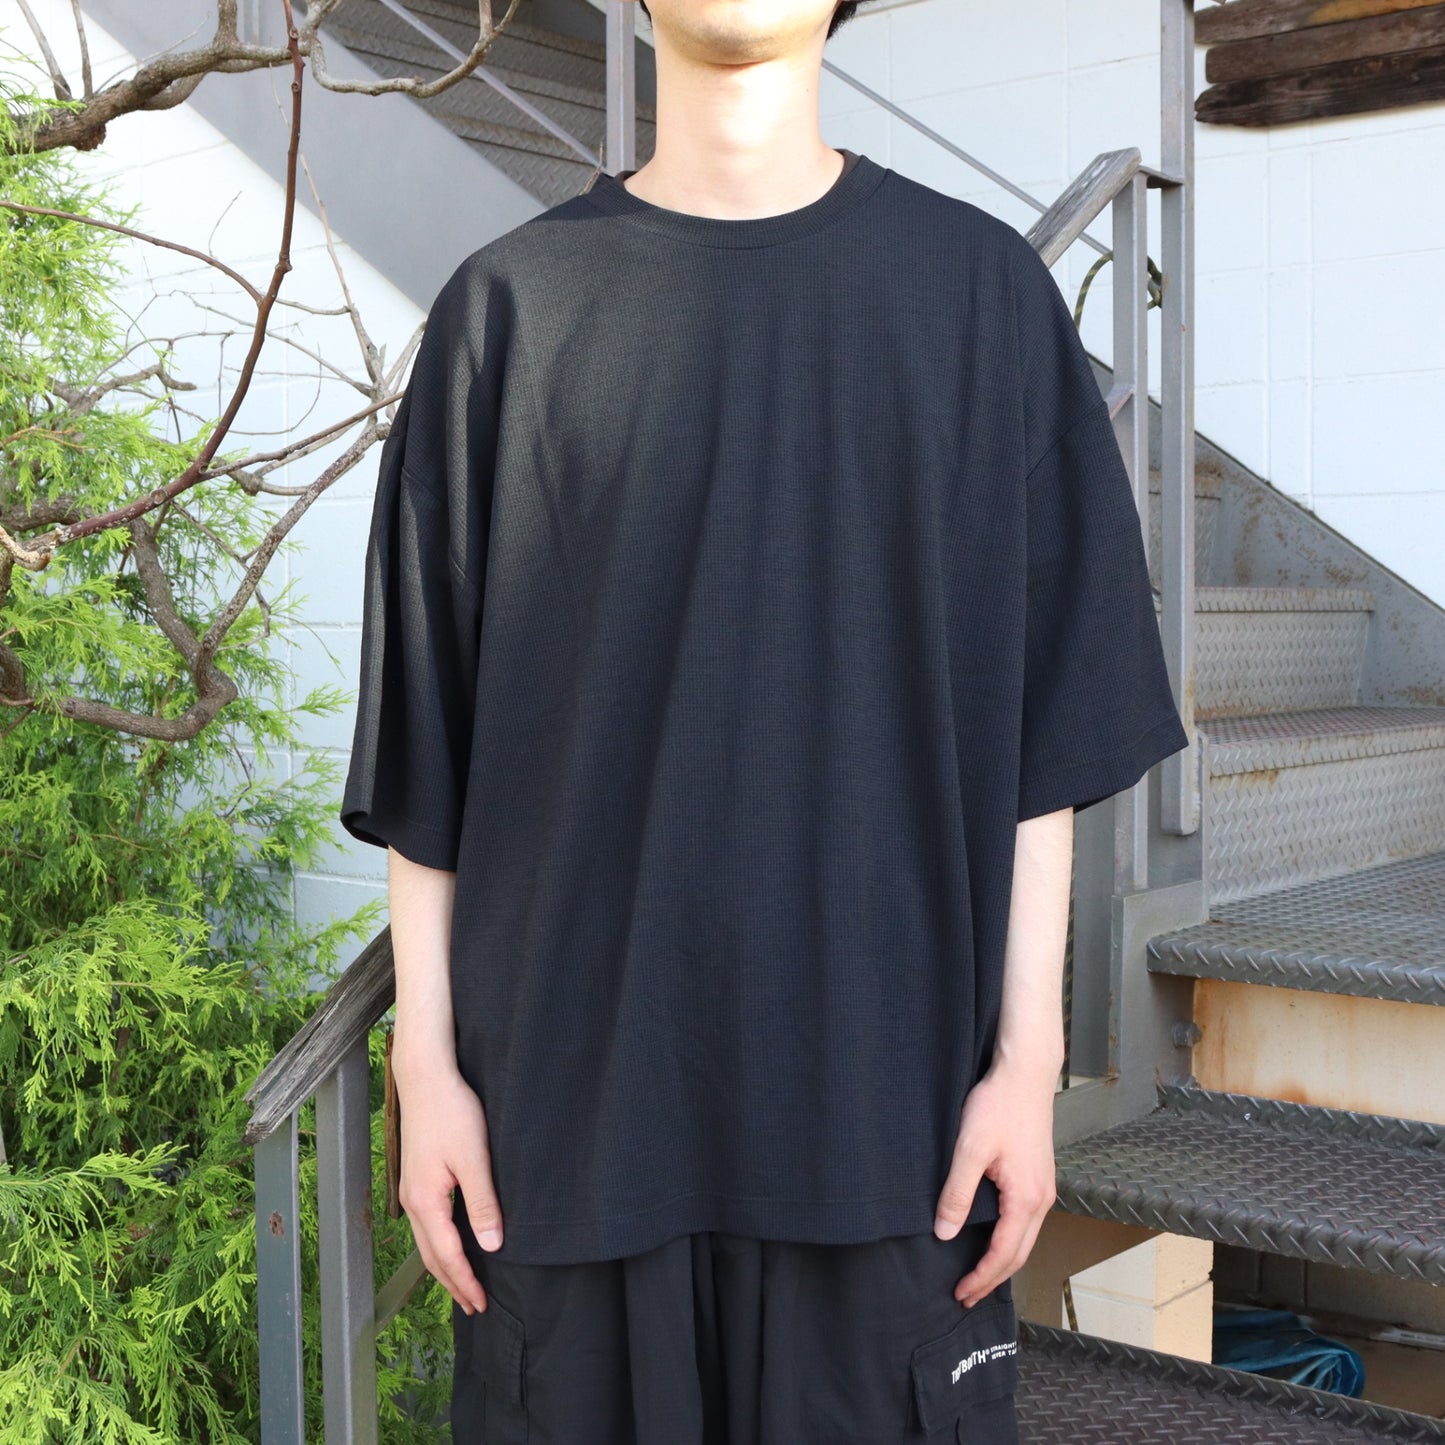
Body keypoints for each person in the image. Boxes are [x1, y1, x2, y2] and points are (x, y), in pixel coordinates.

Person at [339, 0, 1190, 1439]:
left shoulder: (980, 301)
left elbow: (1045, 738)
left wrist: (1023, 1066)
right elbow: (430, 749)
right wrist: (423, 1067)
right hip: (567, 1148)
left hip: (894, 1138)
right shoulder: (507, 312)